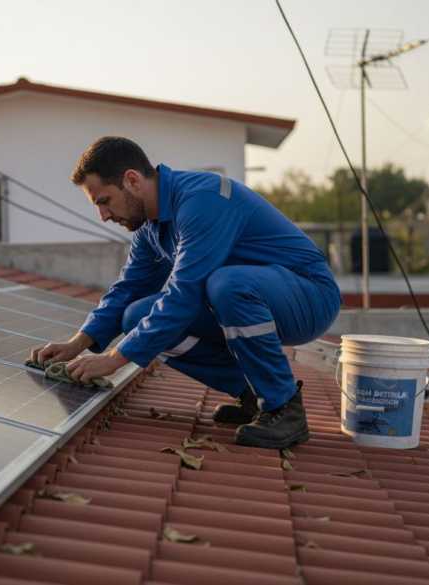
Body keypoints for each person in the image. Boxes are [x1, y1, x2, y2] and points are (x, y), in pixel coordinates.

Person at [30, 136, 341, 449]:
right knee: (136, 316)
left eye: (104, 201)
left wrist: (114, 359)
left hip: (310, 295)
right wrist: (77, 344)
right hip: (254, 298)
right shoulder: (151, 228)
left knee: (225, 284)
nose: (104, 216)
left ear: (132, 180)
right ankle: (250, 391)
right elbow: (127, 290)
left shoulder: (201, 201)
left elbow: (185, 293)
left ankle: (283, 406)